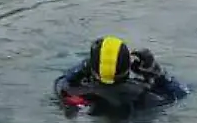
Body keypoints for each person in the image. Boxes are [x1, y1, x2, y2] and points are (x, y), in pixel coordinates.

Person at [54, 35, 189, 117]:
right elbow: (181, 94)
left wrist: (83, 67)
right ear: (127, 66)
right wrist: (157, 73)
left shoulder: (74, 92)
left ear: (92, 67)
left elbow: (62, 80)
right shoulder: (143, 96)